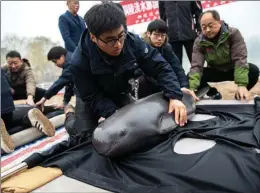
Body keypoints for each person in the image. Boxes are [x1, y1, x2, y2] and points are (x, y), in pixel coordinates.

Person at [69, 2, 189, 137]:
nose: (118, 44)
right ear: (93, 37)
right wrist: (114, 114)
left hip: (119, 91)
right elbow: (92, 97)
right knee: (84, 137)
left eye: (120, 36)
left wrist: (174, 95)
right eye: (110, 40)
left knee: (138, 126)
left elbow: (160, 67)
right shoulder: (78, 62)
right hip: (91, 97)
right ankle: (69, 114)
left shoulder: (132, 42)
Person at [188, 10, 260, 101]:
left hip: (232, 69)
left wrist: (242, 84)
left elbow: (240, 59)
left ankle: (240, 94)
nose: (208, 30)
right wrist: (192, 88)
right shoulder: (199, 42)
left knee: (253, 71)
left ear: (220, 22)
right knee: (190, 77)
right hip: (215, 70)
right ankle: (214, 94)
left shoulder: (233, 34)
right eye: (204, 27)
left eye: (211, 26)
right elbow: (196, 65)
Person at [139, 19, 198, 100]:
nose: (159, 39)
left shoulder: (166, 47)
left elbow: (177, 68)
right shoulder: (142, 48)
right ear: (148, 34)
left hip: (165, 81)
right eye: (156, 35)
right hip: (149, 84)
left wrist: (184, 86)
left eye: (162, 35)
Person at [1, 69, 55, 153]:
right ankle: (28, 118)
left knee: (7, 122)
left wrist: (30, 96)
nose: (13, 66)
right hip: (7, 108)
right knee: (9, 119)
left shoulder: (25, 71)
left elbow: (30, 82)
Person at [159, 1, 202, 65]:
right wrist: (164, 33)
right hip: (172, 37)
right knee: (176, 65)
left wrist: (198, 29)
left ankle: (197, 75)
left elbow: (198, 13)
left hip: (190, 35)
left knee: (196, 63)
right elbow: (163, 17)